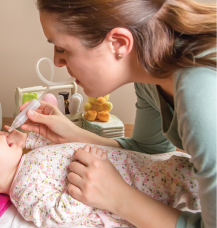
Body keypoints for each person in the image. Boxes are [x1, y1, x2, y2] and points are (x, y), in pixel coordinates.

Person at [16, 0, 216, 227]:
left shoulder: (203, 94)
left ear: (119, 43)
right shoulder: (150, 81)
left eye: (62, 49)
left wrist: (119, 198)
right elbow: (149, 150)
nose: (57, 61)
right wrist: (73, 135)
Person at [0, 127, 199, 228]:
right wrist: (86, 188)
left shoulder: (26, 159)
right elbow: (58, 216)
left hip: (146, 166)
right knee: (187, 187)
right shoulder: (24, 192)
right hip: (140, 187)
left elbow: (50, 147)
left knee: (183, 169)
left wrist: (29, 136)